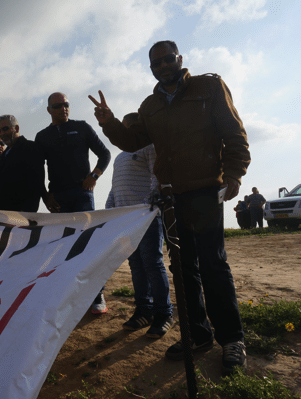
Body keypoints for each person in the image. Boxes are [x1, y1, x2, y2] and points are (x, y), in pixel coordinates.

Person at [89, 40, 251, 373]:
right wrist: (109, 122)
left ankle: (232, 339)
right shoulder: (149, 106)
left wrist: (234, 174)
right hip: (171, 199)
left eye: (167, 60)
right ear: (151, 69)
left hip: (206, 192)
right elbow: (134, 142)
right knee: (183, 269)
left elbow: (234, 133)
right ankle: (197, 334)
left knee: (213, 265)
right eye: (156, 63)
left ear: (179, 59)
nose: (163, 66)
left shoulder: (209, 87)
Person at [36, 92, 112, 314]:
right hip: (58, 198)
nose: (63, 109)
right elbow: (37, 170)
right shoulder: (43, 137)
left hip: (82, 195)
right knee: (62, 248)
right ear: (49, 110)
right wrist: (45, 196)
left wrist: (95, 176)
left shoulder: (82, 127)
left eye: (66, 105)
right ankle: (67, 296)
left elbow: (105, 154)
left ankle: (97, 296)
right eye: (58, 106)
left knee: (87, 245)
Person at [106, 113, 173, 338]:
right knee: (135, 264)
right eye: (128, 127)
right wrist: (109, 210)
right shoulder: (119, 157)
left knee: (152, 264)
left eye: (136, 125)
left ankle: (164, 313)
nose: (132, 129)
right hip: (125, 220)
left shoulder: (149, 146)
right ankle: (144, 311)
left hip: (146, 216)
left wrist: (152, 203)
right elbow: (115, 186)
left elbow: (157, 174)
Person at [0, 115, 44, 212]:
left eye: (5, 129)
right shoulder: (5, 154)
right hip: (0, 215)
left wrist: (27, 215)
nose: (2, 133)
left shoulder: (30, 148)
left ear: (16, 128)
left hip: (18, 216)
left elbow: (36, 184)